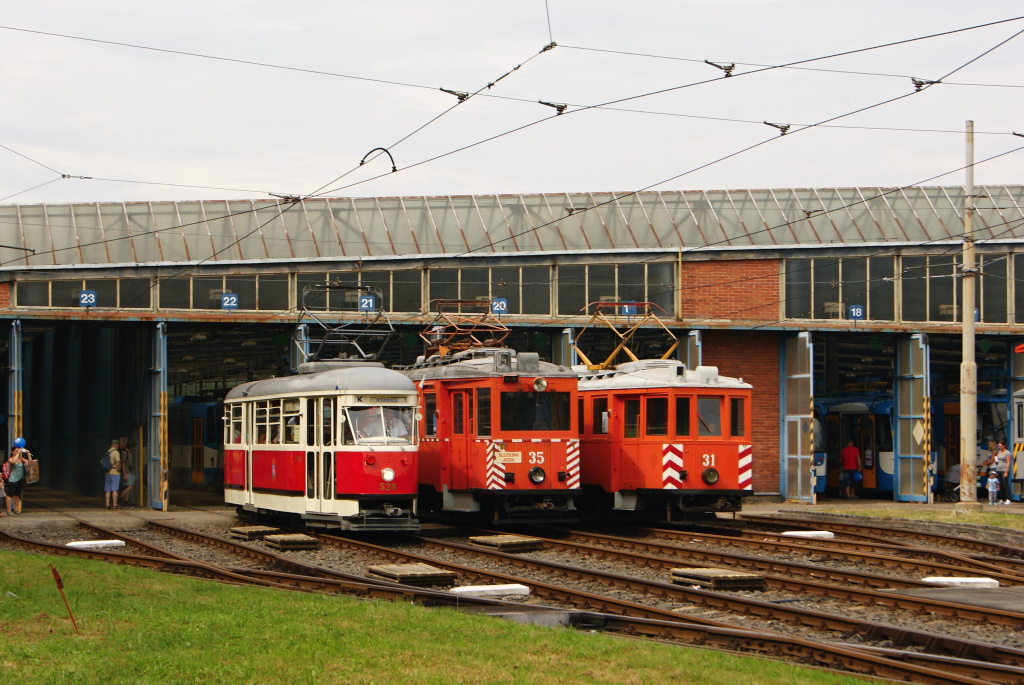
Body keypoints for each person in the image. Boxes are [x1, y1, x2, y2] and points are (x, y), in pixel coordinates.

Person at [6, 437, 34, 515]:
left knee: (17, 494)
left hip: (20, 478)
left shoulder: (21, 459)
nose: (17, 452)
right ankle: (8, 510)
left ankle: (16, 509)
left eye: (18, 450)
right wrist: (18, 453)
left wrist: (28, 454)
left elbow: (30, 462)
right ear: (12, 452)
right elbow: (13, 461)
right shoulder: (11, 459)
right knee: (10, 494)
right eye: (16, 451)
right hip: (13, 479)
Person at [103, 438, 122, 510]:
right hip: (114, 472)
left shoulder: (108, 452)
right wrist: (118, 469)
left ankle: (107, 505)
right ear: (116, 445)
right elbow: (118, 462)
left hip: (108, 472)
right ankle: (114, 504)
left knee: (107, 490)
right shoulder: (116, 452)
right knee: (114, 489)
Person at [118, 438, 136, 507]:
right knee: (129, 487)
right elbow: (123, 464)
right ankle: (120, 497)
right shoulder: (125, 453)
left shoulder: (129, 453)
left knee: (130, 486)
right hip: (127, 472)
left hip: (130, 472)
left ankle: (126, 500)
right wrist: (125, 474)